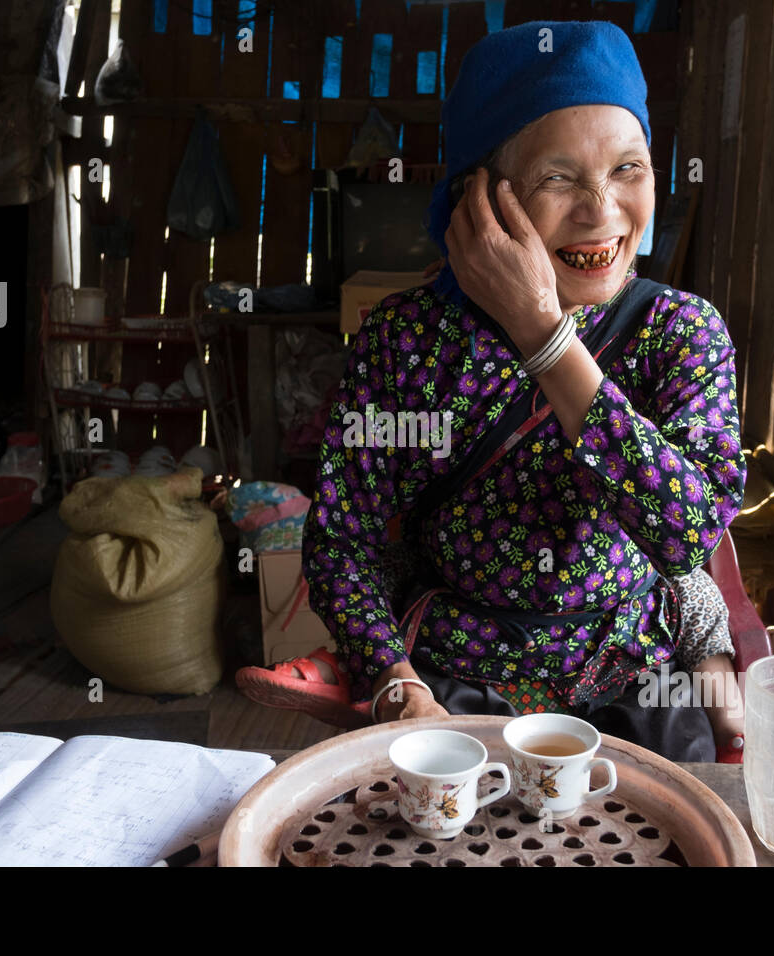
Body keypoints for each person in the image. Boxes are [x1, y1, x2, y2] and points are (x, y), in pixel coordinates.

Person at [236, 20, 747, 762]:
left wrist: (546, 339)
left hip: (636, 680)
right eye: (558, 177)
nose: (602, 211)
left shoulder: (679, 333)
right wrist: (392, 677)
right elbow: (344, 539)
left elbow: (689, 531)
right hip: (456, 680)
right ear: (480, 197)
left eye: (628, 169)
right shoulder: (407, 341)